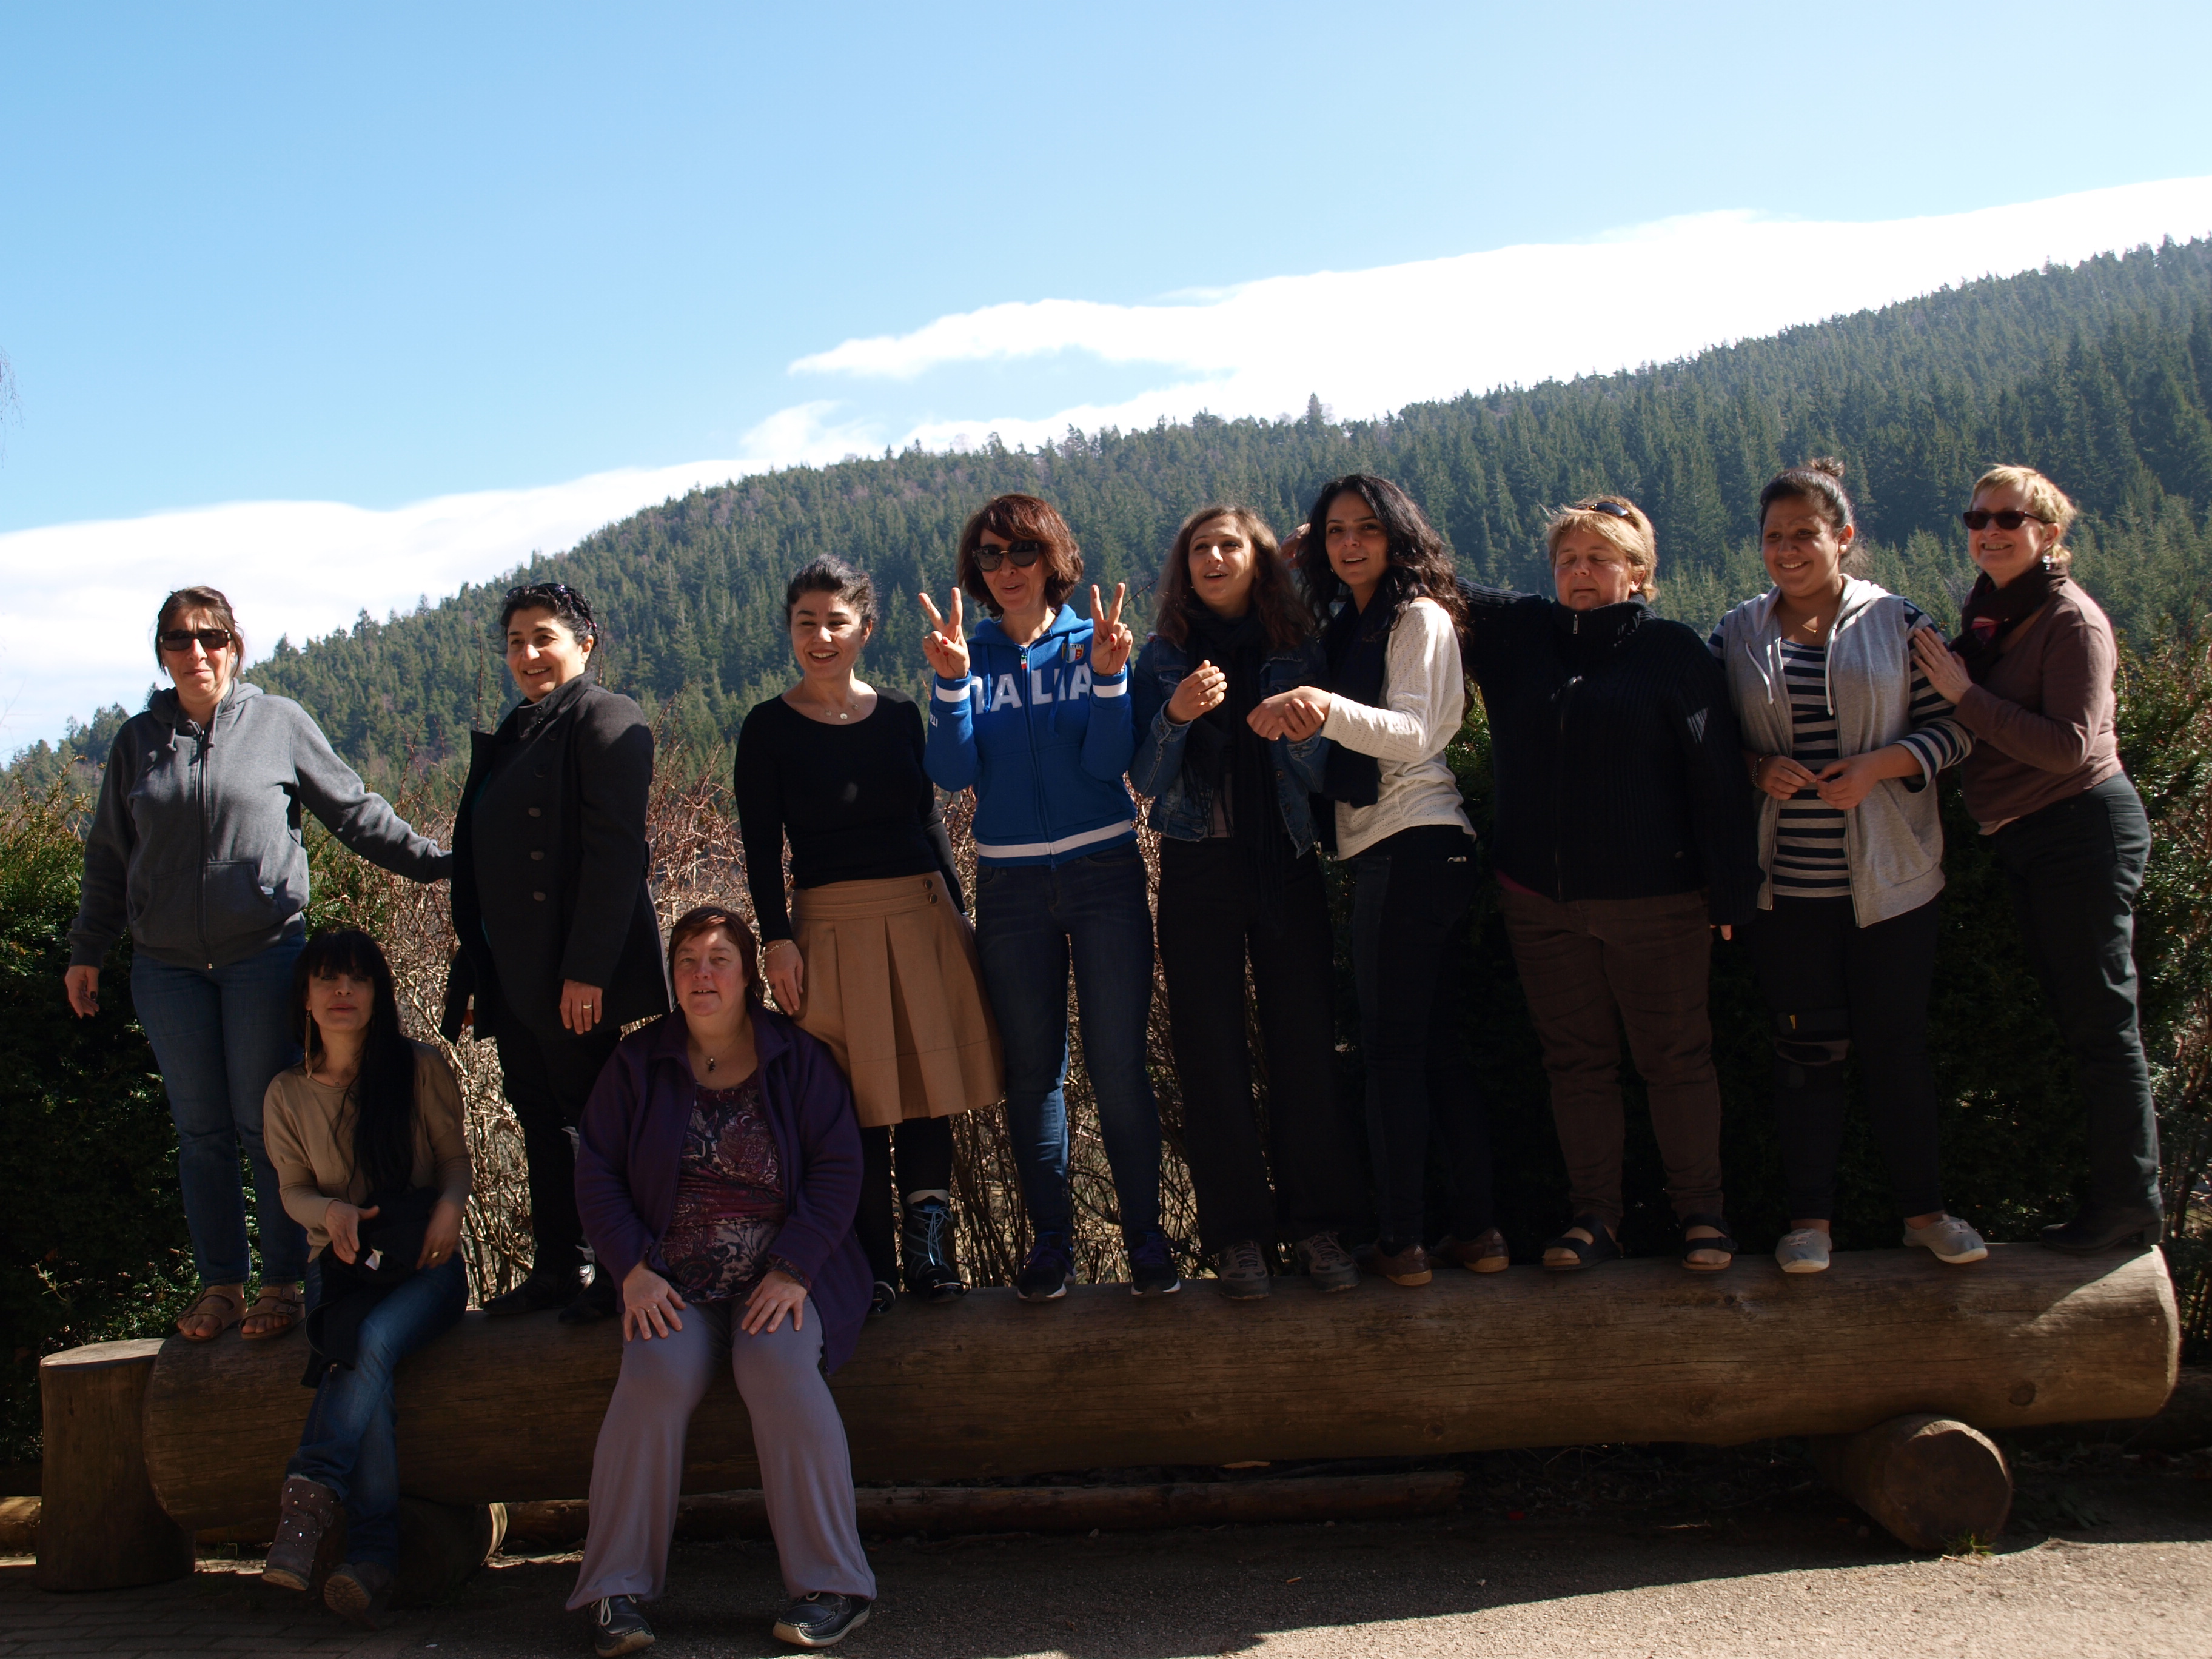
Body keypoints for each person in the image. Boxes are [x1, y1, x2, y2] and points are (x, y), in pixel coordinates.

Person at [65, 586, 449, 1345]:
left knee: (262, 1125)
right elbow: (109, 856)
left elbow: (354, 811)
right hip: (166, 967)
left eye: (211, 637)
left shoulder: (278, 723)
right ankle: (220, 1286)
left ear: (234, 647)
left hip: (264, 958)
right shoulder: (137, 741)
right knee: (200, 1132)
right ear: (163, 654)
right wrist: (87, 949)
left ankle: (282, 1284)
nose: (197, 652)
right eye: (180, 640)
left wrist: (439, 863)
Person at [1452, 497, 1759, 1273]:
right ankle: (1595, 1218)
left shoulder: (1671, 651)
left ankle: (1703, 1216)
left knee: (1676, 1060)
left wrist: (1731, 887)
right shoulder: (1521, 638)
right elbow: (1433, 578)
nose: (1580, 572)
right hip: (1539, 903)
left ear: (1638, 573)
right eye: (1567, 559)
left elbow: (1718, 775)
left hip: (1658, 902)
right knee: (1575, 1066)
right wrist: (1337, 537)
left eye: (1599, 558)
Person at [568, 905, 875, 1656]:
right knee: (652, 1373)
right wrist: (631, 1270)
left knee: (776, 1364)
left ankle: (834, 1587)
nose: (701, 975)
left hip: (785, 1279)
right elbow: (597, 1170)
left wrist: (795, 1268)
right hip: (671, 1284)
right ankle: (614, 1591)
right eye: (687, 962)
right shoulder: (638, 1063)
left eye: (718, 960)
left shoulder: (796, 1059)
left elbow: (840, 1168)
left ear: (747, 977)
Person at [1714, 460, 1986, 1272]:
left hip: (1892, 885)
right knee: (1806, 1055)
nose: (1788, 550)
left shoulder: (1900, 622)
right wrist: (1758, 766)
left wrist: (1880, 766)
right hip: (1785, 891)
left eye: (1805, 533)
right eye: (1774, 536)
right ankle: (1810, 1225)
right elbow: (1703, 740)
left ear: (1845, 538)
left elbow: (1957, 727)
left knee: (1896, 1047)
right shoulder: (1736, 632)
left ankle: (1925, 1214)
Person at [918, 492, 1176, 1299]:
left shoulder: (1092, 641)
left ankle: (1146, 1240)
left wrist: (1108, 677)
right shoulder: (970, 653)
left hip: (1104, 877)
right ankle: (1051, 1247)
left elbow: (1109, 766)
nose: (1007, 569)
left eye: (1022, 552)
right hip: (1011, 888)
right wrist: (951, 687)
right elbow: (952, 773)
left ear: (1052, 558)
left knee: (1118, 1065)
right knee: (1033, 1074)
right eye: (990, 556)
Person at [736, 555, 1002, 1318]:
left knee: (925, 1091)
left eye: (836, 622)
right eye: (806, 623)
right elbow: (760, 847)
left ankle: (929, 1256)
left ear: (866, 630)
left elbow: (926, 819)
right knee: (846, 1102)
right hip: (825, 926)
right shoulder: (767, 728)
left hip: (921, 914)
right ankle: (871, 1266)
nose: (820, 637)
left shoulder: (899, 715)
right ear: (790, 630)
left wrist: (958, 912)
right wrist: (776, 940)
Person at [1252, 474, 1496, 1287]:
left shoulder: (1418, 616)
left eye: (1366, 529)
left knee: (1393, 1058)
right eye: (1335, 532)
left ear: (1399, 535)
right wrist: (1292, 563)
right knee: (1437, 1053)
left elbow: (1416, 731)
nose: (1350, 543)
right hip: (1407, 852)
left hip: (1411, 846)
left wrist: (1322, 706)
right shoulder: (1359, 622)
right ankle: (1478, 1232)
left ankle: (1403, 1241)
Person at [1913, 465, 2163, 1253]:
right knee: (2080, 1021)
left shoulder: (2069, 621)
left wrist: (1965, 696)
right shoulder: (1994, 615)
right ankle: (2116, 1201)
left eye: (2008, 520)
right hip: (2031, 836)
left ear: (2049, 533)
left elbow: (2067, 748)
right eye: (1977, 518)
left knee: (2102, 1027)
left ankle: (2130, 1208)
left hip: (2081, 828)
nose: (1988, 532)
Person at [1130, 504, 1370, 1298]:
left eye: (1229, 545)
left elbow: (1318, 775)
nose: (1213, 557)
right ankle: (1238, 1240)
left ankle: (1319, 1228)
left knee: (1306, 1047)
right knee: (1210, 1057)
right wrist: (1175, 715)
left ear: (1257, 558)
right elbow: (1146, 779)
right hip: (1196, 868)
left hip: (1286, 863)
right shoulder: (1163, 656)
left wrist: (1302, 733)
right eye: (1199, 547)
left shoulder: (1297, 648)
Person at [444, 581, 670, 1322]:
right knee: (539, 1114)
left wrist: (588, 970)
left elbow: (616, 855)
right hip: (515, 969)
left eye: (544, 638)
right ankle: (556, 1266)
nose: (528, 654)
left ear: (585, 643)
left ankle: (617, 1269)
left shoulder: (606, 716)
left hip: (573, 970)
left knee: (593, 1119)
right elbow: (488, 864)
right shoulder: (516, 730)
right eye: (516, 642)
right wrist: (476, 969)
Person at [258, 929, 471, 1627]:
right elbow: (292, 1191)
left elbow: (454, 1161)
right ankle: (372, 1561)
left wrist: (450, 1209)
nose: (342, 991)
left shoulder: (419, 1068)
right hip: (341, 1271)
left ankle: (310, 1495)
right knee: (362, 1359)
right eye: (327, 979)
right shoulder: (287, 1093)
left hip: (424, 1267)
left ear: (379, 994)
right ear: (305, 998)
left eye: (358, 978)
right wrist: (332, 1212)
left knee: (367, 1341)